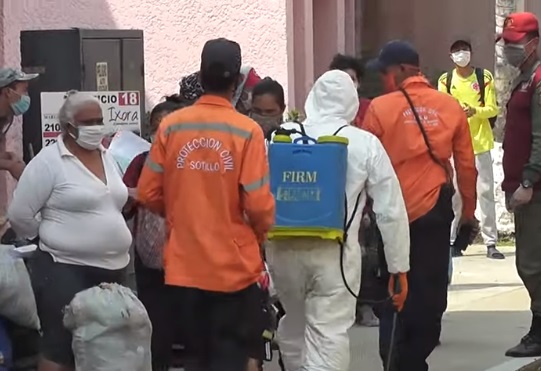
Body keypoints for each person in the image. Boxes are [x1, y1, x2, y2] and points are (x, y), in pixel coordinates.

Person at [137, 38, 275, 371]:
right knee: (229, 357)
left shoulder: (171, 126)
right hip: (233, 268)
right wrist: (257, 235)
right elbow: (258, 206)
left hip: (184, 267)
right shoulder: (247, 132)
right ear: (237, 82)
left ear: (201, 75)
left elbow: (147, 192)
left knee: (194, 357)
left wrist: (182, 215)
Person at [267, 70, 410, 371]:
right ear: (352, 103)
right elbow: (391, 211)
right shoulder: (364, 143)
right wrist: (398, 268)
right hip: (335, 255)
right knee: (328, 331)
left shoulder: (282, 136)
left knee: (293, 323)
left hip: (282, 250)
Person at [361, 40, 478, 371]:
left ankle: (395, 362)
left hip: (392, 215)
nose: (383, 80)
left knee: (394, 292)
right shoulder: (450, 107)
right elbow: (467, 166)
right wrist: (467, 214)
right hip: (434, 214)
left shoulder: (380, 109)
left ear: (400, 71)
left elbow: (364, 167)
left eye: (385, 73)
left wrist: (363, 213)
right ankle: (414, 360)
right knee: (430, 293)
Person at [7, 90, 132, 371]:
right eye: (88, 122)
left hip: (113, 270)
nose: (96, 127)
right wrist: (48, 237)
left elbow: (112, 198)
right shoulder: (49, 161)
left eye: (99, 120)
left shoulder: (106, 156)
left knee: (104, 347)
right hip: (64, 269)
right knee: (60, 347)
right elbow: (20, 214)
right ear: (67, 127)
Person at [123, 94, 190, 371]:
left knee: (190, 326)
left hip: (189, 259)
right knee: (155, 327)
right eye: (156, 126)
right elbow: (125, 206)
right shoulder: (140, 162)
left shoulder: (195, 162)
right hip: (150, 259)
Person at [499, 12, 541, 358]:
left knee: (530, 262)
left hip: (534, 189)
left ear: (533, 43)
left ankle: (539, 331)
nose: (509, 50)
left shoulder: (539, 79)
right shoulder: (524, 77)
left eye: (514, 44)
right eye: (506, 43)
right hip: (523, 187)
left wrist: (528, 179)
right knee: (530, 261)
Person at [438, 39, 503, 259]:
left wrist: (474, 110)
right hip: (455, 146)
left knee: (485, 193)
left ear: (471, 54)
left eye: (464, 50)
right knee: (455, 194)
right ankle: (451, 240)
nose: (460, 54)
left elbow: (492, 108)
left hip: (480, 144)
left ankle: (491, 242)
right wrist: (458, 112)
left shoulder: (483, 78)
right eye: (456, 51)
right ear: (450, 56)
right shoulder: (445, 81)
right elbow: (442, 111)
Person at [0, 68, 38, 180]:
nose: (26, 96)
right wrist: (9, 165)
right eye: (24, 90)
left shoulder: (5, 117)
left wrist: (6, 157)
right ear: (8, 92)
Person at [329, 53, 371, 126]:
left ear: (358, 83)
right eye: (343, 79)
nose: (347, 83)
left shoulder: (370, 109)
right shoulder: (326, 110)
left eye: (352, 79)